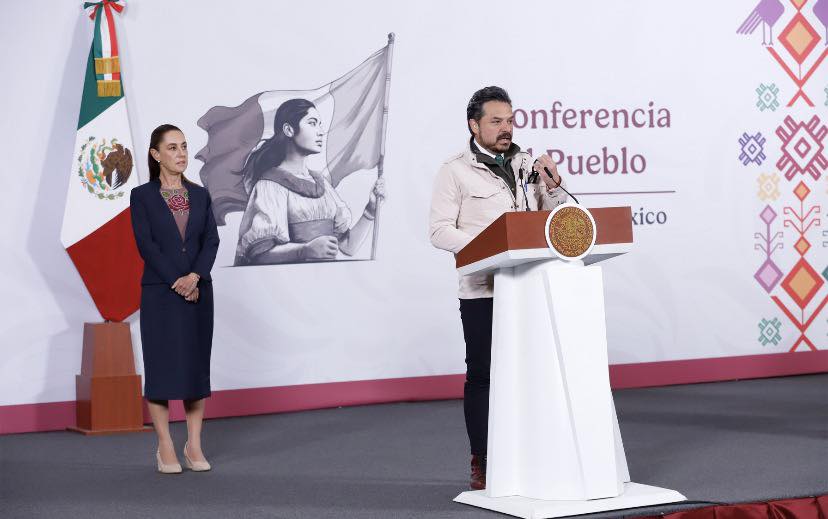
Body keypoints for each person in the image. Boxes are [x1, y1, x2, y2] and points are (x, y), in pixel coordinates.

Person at [428, 86, 568, 490]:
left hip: (530, 287)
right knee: (484, 375)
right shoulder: (454, 170)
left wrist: (554, 185)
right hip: (483, 290)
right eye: (496, 121)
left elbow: (558, 218)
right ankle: (484, 459)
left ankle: (534, 455)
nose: (506, 128)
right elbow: (439, 230)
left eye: (510, 120)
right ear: (474, 125)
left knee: (533, 372)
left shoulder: (527, 164)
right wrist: (490, 247)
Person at [130, 124, 220, 474]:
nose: (181, 153)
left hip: (199, 292)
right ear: (155, 155)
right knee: (162, 368)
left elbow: (210, 241)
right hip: (160, 293)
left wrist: (194, 277)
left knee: (195, 369)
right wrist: (177, 281)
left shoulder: (201, 194)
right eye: (172, 148)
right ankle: (165, 444)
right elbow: (146, 245)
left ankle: (193, 444)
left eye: (183, 146)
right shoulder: (142, 196)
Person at [234, 98, 385, 265]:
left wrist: (370, 210)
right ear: (289, 130)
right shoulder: (270, 186)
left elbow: (348, 246)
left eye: (320, 124)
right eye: (312, 123)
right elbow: (259, 255)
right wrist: (304, 250)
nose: (320, 132)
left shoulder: (322, 184)